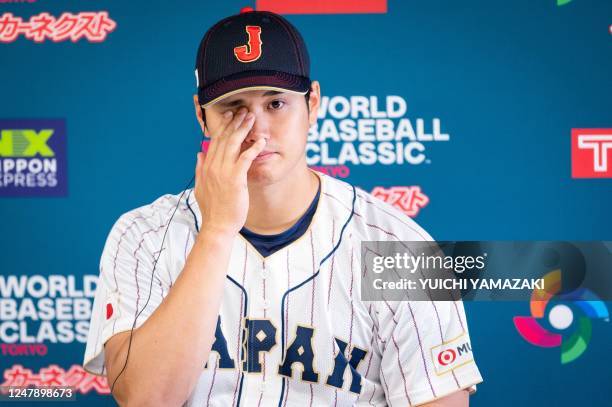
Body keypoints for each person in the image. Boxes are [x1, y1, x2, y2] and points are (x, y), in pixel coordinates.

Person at [83, 8, 482, 406]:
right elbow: (145, 399)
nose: (256, 129)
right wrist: (217, 231)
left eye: (276, 104)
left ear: (313, 104)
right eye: (233, 107)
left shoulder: (399, 246)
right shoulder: (143, 237)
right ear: (202, 117)